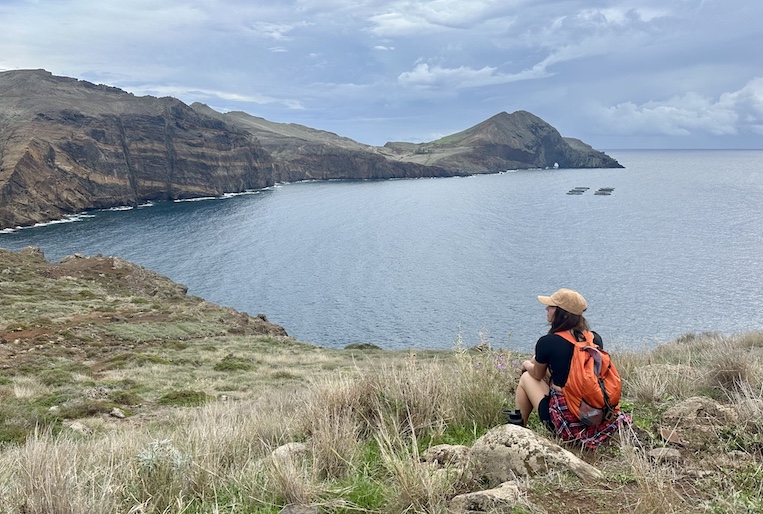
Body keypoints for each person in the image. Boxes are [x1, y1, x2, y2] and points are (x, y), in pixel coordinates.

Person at [514, 288, 630, 449]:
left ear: (562, 314)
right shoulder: (594, 339)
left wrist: (526, 364)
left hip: (567, 425)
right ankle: (517, 427)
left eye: (551, 307)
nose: (546, 309)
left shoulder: (548, 342)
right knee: (542, 366)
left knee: (527, 377)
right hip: (596, 419)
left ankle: (517, 431)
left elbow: (537, 374)